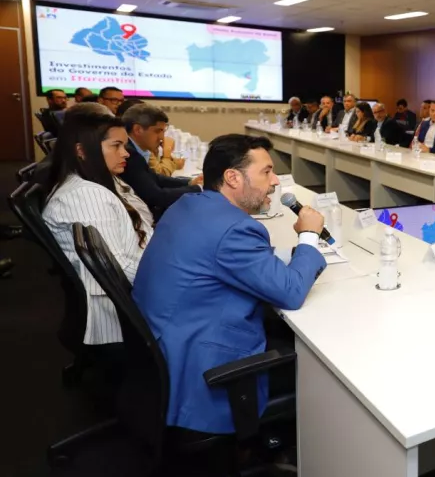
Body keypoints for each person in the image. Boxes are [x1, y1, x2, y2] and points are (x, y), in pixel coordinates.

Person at [133, 134, 327, 434]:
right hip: (202, 366)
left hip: (167, 345)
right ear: (233, 178)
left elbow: (228, 259)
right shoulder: (235, 229)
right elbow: (291, 293)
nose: (275, 181)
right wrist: (309, 236)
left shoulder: (190, 205)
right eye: (266, 172)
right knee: (323, 370)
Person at [43, 111, 154, 346]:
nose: (126, 153)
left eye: (124, 145)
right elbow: (117, 268)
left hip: (138, 286)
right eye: (116, 145)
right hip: (125, 311)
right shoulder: (86, 196)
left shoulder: (101, 180)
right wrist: (177, 278)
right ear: (81, 150)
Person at [119, 104, 202, 219]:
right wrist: (198, 188)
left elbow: (155, 178)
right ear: (137, 129)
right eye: (158, 131)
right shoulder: (129, 154)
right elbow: (157, 197)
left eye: (163, 131)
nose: (162, 137)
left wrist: (189, 182)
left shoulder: (136, 150)